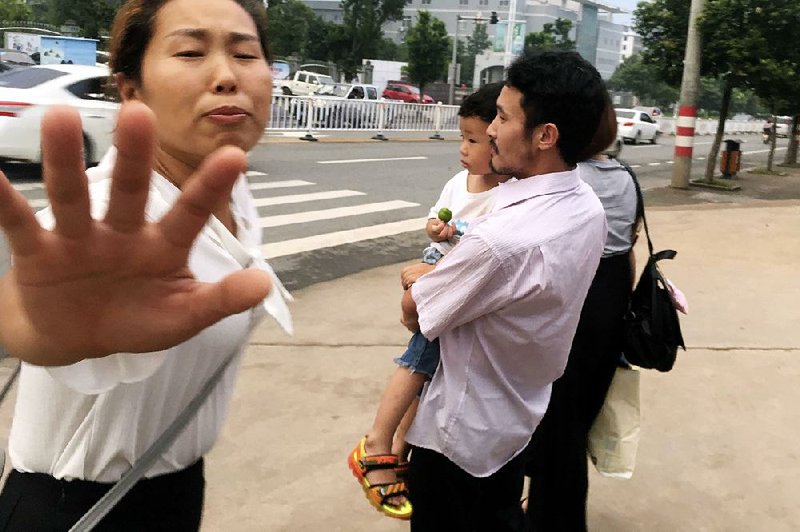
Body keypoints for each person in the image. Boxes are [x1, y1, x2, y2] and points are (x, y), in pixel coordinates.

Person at [0, 0, 290, 529]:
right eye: (190, 52)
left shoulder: (228, 191)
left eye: (246, 54)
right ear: (131, 90)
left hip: (175, 488)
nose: (226, 76)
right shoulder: (97, 222)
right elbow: (37, 323)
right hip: (79, 510)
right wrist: (49, 333)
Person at [399, 50, 609, 531]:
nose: (491, 129)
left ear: (545, 135)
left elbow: (416, 314)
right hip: (516, 420)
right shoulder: (587, 206)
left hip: (457, 438)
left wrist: (414, 280)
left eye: (503, 116)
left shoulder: (501, 243)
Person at [348, 82, 507, 520]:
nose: (464, 149)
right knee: (420, 358)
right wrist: (435, 235)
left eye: (474, 141)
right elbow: (439, 227)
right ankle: (377, 442)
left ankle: (398, 448)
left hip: (456, 284)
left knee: (430, 372)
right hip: (442, 278)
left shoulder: (508, 195)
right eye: (463, 138)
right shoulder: (461, 183)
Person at [523, 101, 640, 531]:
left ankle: (553, 519)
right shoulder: (627, 178)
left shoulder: (571, 178)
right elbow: (629, 247)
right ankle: (555, 512)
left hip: (575, 293)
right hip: (611, 301)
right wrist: (622, 309)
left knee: (554, 420)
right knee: (576, 417)